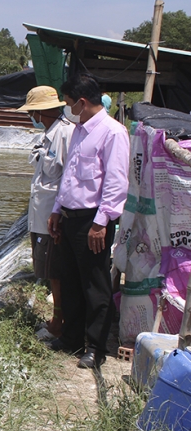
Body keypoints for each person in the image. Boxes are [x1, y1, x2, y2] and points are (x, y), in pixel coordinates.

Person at [46, 74, 130, 369]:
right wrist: (57, 209)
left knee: (95, 285)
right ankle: (71, 338)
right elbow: (69, 176)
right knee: (69, 280)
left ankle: (95, 347)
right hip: (70, 216)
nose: (68, 109)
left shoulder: (113, 133)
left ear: (82, 102)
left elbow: (116, 182)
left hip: (91, 221)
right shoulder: (78, 131)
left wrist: (101, 221)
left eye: (69, 103)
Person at [18, 86, 74, 338]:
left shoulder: (65, 134)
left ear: (42, 112)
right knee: (49, 270)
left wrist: (58, 213)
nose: (33, 116)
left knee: (56, 271)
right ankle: (58, 318)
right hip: (41, 215)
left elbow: (65, 178)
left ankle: (59, 322)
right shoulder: (48, 134)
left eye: (33, 112)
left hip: (52, 215)